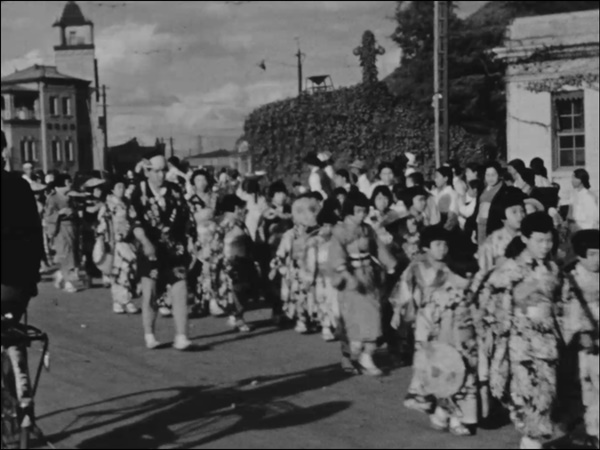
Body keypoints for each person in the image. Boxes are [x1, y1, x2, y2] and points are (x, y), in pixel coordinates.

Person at [476, 212, 562, 450]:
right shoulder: (509, 269)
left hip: (547, 341)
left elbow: (561, 303)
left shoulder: (554, 269)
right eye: (539, 241)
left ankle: (532, 437)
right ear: (524, 238)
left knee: (547, 391)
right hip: (518, 342)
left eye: (549, 240)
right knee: (523, 391)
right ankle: (530, 438)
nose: (545, 246)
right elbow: (487, 300)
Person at [391, 226, 477, 436]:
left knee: (450, 370)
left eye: (445, 244)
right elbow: (405, 288)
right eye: (437, 244)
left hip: (451, 325)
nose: (442, 249)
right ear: (426, 247)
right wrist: (398, 310)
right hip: (426, 320)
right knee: (429, 365)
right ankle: (427, 399)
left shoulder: (452, 268)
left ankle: (443, 410)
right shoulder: (417, 266)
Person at [471, 187, 527, 418]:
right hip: (498, 306)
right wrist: (473, 300)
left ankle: (518, 398)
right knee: (496, 353)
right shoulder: (494, 241)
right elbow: (480, 273)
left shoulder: (530, 239)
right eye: (515, 211)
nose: (521, 215)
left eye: (522, 210)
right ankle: (492, 396)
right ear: (503, 216)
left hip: (524, 304)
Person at [128, 154, 192, 351]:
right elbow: (135, 222)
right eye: (156, 171)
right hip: (151, 249)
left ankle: (181, 335)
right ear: (148, 171)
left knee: (180, 288)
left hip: (174, 249)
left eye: (164, 170)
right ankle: (149, 333)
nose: (161, 175)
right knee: (150, 294)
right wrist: (146, 242)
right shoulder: (139, 192)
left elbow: (184, 218)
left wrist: (190, 240)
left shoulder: (174, 190)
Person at [328, 191, 396, 376]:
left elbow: (378, 248)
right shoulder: (340, 231)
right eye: (358, 211)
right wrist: (346, 275)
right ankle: (352, 353)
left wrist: (389, 264)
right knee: (353, 320)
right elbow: (335, 254)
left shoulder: (367, 229)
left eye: (364, 211)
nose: (362, 215)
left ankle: (367, 355)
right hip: (350, 281)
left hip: (369, 278)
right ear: (349, 211)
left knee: (374, 316)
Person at [1, 130, 44, 409]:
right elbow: (34, 236)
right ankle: (23, 405)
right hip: (17, 284)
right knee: (10, 333)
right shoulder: (20, 186)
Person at [561, 229, 599, 448]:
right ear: (581, 254)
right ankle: (588, 429)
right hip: (581, 341)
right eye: (592, 254)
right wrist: (581, 331)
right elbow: (567, 311)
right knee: (583, 386)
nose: (597, 259)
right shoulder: (571, 277)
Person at [271, 196, 320, 334]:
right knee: (299, 294)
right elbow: (282, 251)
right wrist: (278, 263)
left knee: (312, 295)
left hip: (313, 268)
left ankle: (313, 318)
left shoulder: (317, 233)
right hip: (297, 268)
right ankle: (301, 319)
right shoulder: (290, 234)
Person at [97, 179, 139, 314]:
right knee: (118, 271)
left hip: (128, 240)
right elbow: (102, 224)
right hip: (115, 242)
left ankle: (123, 299)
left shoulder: (127, 203)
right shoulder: (108, 205)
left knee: (128, 270)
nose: (122, 189)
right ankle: (122, 301)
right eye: (118, 186)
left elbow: (134, 218)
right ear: (112, 190)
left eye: (123, 187)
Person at [218, 194, 256, 332]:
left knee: (239, 290)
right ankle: (237, 318)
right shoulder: (227, 223)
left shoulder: (234, 222)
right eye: (241, 207)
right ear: (235, 208)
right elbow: (217, 242)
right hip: (231, 261)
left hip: (239, 260)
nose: (242, 210)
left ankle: (236, 316)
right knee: (236, 290)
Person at [45, 174, 79, 293]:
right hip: (60, 228)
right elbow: (48, 216)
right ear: (62, 184)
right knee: (66, 253)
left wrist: (73, 212)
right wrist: (60, 213)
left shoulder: (71, 197)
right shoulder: (53, 198)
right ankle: (68, 282)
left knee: (72, 252)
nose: (70, 184)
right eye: (68, 182)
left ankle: (60, 276)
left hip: (72, 227)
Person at [475, 161, 506, 246]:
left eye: (493, 175)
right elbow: (477, 210)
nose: (490, 178)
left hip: (495, 226)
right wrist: (474, 229)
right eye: (487, 175)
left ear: (499, 175)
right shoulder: (483, 189)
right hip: (480, 225)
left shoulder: (504, 190)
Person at [432, 167, 459, 231]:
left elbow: (452, 216)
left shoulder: (452, 194)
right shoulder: (436, 192)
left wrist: (444, 230)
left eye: (437, 177)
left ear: (445, 178)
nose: (435, 179)